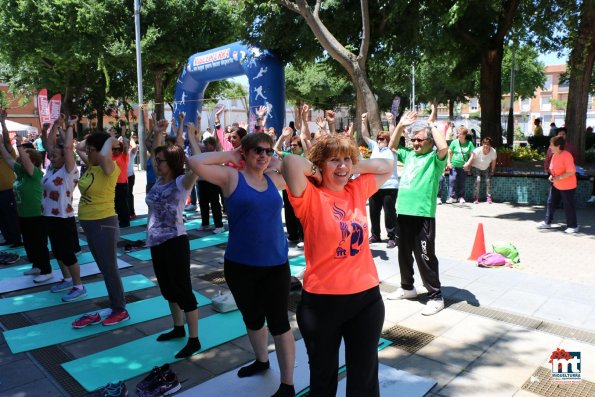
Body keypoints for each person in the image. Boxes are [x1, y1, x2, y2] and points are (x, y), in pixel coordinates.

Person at [282, 129, 393, 396]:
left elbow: (387, 165)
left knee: (364, 376)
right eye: (333, 160)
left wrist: (353, 163)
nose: (342, 166)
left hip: (366, 300)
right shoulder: (309, 196)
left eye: (346, 159)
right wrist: (317, 169)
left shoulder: (356, 188)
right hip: (322, 303)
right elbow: (289, 162)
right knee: (323, 377)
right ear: (320, 163)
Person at [189, 133, 295, 397]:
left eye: (268, 151)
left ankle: (288, 384)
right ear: (245, 153)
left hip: (276, 265)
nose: (263, 155)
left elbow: (301, 168)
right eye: (257, 150)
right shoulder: (231, 178)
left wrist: (278, 159)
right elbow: (194, 161)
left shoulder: (274, 180)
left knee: (280, 323)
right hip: (241, 266)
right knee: (253, 318)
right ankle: (261, 361)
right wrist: (229, 155)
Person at [146, 124, 201, 358]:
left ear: (172, 163)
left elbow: (198, 164)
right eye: (156, 161)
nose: (156, 164)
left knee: (183, 289)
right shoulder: (158, 181)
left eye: (161, 161)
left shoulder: (181, 183)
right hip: (156, 242)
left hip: (175, 242)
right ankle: (178, 328)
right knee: (167, 288)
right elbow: (153, 153)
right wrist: (158, 133)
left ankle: (194, 339)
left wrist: (191, 138)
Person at [387, 105, 449, 316]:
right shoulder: (411, 156)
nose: (414, 143)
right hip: (403, 213)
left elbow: (444, 149)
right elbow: (392, 146)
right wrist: (400, 125)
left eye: (419, 140)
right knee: (403, 253)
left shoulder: (434, 159)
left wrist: (431, 125)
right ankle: (407, 288)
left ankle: (435, 296)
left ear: (429, 142)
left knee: (425, 255)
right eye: (413, 140)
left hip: (422, 215)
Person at [73, 132, 129, 327]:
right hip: (90, 223)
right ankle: (115, 305)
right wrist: (89, 140)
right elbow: (79, 147)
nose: (87, 151)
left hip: (103, 223)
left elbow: (105, 154)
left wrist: (110, 139)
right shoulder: (92, 165)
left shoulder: (109, 167)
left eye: (91, 149)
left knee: (110, 269)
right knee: (105, 269)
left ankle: (120, 309)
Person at [42, 115, 86, 301]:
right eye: (51, 155)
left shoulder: (69, 170)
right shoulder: (52, 168)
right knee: (58, 251)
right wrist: (54, 125)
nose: (51, 157)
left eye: (55, 155)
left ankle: (78, 285)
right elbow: (47, 144)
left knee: (67, 253)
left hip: (63, 217)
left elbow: (67, 147)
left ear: (65, 157)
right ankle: (67, 279)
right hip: (49, 216)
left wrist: (69, 126)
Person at [0, 130, 52, 282]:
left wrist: (19, 146)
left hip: (37, 214)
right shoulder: (21, 172)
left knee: (39, 243)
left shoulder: (34, 173)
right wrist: (1, 146)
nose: (21, 161)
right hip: (23, 215)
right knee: (29, 243)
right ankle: (37, 265)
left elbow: (25, 162)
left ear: (33, 161)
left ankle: (46, 270)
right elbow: (9, 160)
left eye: (24, 159)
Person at [361, 111, 400, 248]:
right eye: (378, 139)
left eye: (382, 139)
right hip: (374, 186)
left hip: (389, 186)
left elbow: (394, 135)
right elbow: (365, 135)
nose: (379, 141)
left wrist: (390, 122)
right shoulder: (374, 148)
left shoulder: (391, 149)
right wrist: (363, 120)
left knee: (389, 213)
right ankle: (376, 235)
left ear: (387, 141)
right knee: (373, 212)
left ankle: (392, 237)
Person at [537, 136, 579, 234]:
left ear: (558, 146)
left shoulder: (567, 155)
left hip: (568, 186)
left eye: (551, 145)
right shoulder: (554, 155)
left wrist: (558, 178)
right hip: (556, 184)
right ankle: (547, 222)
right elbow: (554, 170)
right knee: (550, 203)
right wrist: (551, 176)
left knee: (568, 206)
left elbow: (571, 171)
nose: (550, 147)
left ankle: (573, 226)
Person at [0, 110, 22, 247]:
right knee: (2, 218)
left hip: (8, 190)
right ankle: (8, 238)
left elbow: (7, 140)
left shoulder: (8, 154)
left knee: (11, 217)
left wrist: (3, 123)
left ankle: (17, 239)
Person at [464, 137, 497, 204]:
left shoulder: (493, 151)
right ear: (482, 144)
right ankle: (476, 198)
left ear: (490, 145)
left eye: (488, 144)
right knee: (478, 179)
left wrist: (492, 170)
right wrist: (469, 168)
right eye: (484, 144)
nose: (486, 145)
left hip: (486, 168)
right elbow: (471, 159)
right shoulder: (477, 150)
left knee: (488, 180)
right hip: (476, 167)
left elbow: (493, 162)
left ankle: (489, 197)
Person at [447, 126, 475, 203]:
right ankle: (451, 197)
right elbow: (449, 152)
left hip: (463, 167)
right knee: (452, 181)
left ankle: (461, 197)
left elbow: (472, 155)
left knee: (462, 182)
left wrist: (468, 163)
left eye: (459, 134)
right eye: (458, 133)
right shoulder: (454, 142)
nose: (458, 135)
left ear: (464, 135)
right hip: (454, 165)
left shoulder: (469, 143)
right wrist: (448, 162)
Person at [110, 125, 130, 228]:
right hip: (113, 183)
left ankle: (125, 222)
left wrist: (123, 133)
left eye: (117, 149)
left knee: (122, 204)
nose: (115, 150)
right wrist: (111, 136)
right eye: (114, 149)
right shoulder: (112, 156)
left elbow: (126, 146)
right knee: (116, 204)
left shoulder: (124, 156)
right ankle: (120, 220)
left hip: (122, 183)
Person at [127, 134, 138, 219]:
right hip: (119, 178)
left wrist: (131, 139)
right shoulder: (117, 152)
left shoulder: (130, 152)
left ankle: (131, 213)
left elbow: (134, 147)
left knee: (128, 194)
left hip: (129, 176)